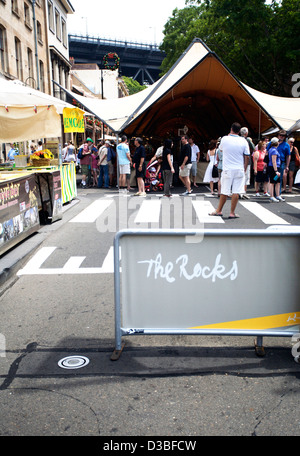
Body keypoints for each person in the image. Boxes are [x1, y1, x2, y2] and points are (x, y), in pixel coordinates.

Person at [209, 122, 249, 219]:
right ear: (239, 131)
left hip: (227, 168)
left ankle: (219, 210)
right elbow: (247, 156)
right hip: (239, 168)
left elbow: (221, 150)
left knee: (225, 190)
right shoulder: (243, 141)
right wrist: (244, 168)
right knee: (236, 191)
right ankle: (232, 212)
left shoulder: (225, 139)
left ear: (231, 129)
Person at [267, 130, 290, 194]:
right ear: (278, 136)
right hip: (272, 162)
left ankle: (277, 192)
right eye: (280, 135)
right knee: (272, 178)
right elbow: (266, 152)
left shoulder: (286, 145)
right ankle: (273, 192)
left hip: (281, 162)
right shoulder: (272, 143)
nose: (281, 137)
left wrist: (287, 165)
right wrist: (265, 162)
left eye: (283, 136)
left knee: (278, 178)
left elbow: (288, 156)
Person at [267, 137, 285, 202]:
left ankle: (277, 195)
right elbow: (273, 161)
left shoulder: (273, 149)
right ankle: (272, 196)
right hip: (274, 168)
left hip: (276, 167)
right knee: (272, 182)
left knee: (277, 182)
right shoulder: (274, 150)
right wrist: (276, 170)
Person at [240, 127, 254, 199]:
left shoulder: (238, 139)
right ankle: (243, 192)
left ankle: (239, 192)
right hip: (247, 161)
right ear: (246, 133)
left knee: (240, 177)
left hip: (239, 160)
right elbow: (254, 148)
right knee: (246, 177)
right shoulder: (247, 140)